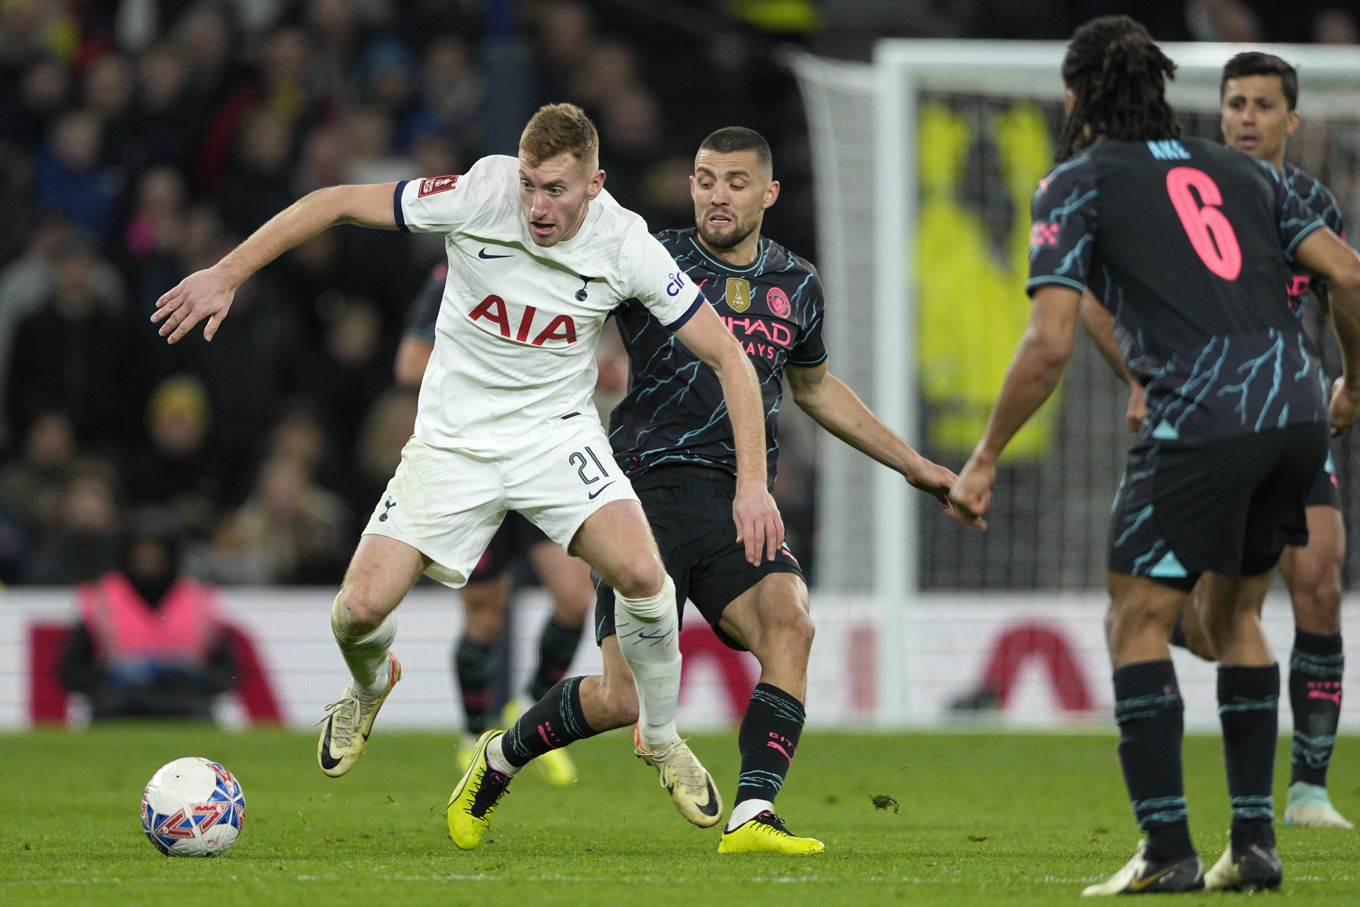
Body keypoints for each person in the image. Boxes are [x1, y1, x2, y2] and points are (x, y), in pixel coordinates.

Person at [153, 102, 781, 837]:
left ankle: (662, 735)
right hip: (453, 443)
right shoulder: (480, 193)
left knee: (646, 577)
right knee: (357, 611)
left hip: (555, 440)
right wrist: (227, 272)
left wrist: (752, 482)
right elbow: (334, 204)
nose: (537, 205)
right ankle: (370, 683)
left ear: (595, 184)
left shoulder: (627, 244)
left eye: (556, 190)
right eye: (530, 184)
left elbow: (730, 357)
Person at [449, 126, 978, 855]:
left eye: (734, 181)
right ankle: (499, 758)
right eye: (704, 178)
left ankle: (753, 812)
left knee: (790, 623)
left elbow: (816, 388)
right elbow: (558, 308)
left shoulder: (797, 282)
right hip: (640, 493)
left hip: (739, 498)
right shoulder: (648, 255)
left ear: (769, 192)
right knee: (621, 698)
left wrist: (915, 464)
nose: (716, 194)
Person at [946, 16, 1360, 896]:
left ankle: (1166, 846)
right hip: (1294, 413)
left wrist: (985, 454)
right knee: (1235, 622)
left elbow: (1050, 340)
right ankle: (1253, 845)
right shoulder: (1245, 170)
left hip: (1202, 417)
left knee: (1135, 619)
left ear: (1074, 97)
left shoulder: (1075, 181)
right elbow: (1351, 276)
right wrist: (1352, 385)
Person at [1086, 51, 1352, 831]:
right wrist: (1139, 378)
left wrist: (1343, 381)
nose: (1246, 117)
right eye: (1235, 102)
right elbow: (1096, 298)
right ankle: (1162, 642)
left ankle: (1307, 788)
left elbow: (1343, 285)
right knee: (1216, 621)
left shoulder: (1308, 201)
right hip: (1199, 423)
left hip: (1289, 419)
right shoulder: (1186, 197)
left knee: (1321, 584)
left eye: (1263, 105)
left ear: (1290, 120)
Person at [395, 263, 595, 787]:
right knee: (484, 616)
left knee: (575, 596)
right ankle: (471, 735)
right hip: (475, 467)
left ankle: (527, 714)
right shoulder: (451, 278)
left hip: (538, 459)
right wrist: (486, 364)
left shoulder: (548, 273)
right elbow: (409, 364)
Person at [59, 508, 237, 720]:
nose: (149, 557)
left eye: (156, 549)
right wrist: (108, 676)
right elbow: (71, 670)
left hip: (184, 703)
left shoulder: (199, 601)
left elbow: (229, 671)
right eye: (142, 549)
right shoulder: (101, 599)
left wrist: (191, 676)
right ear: (128, 552)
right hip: (119, 704)